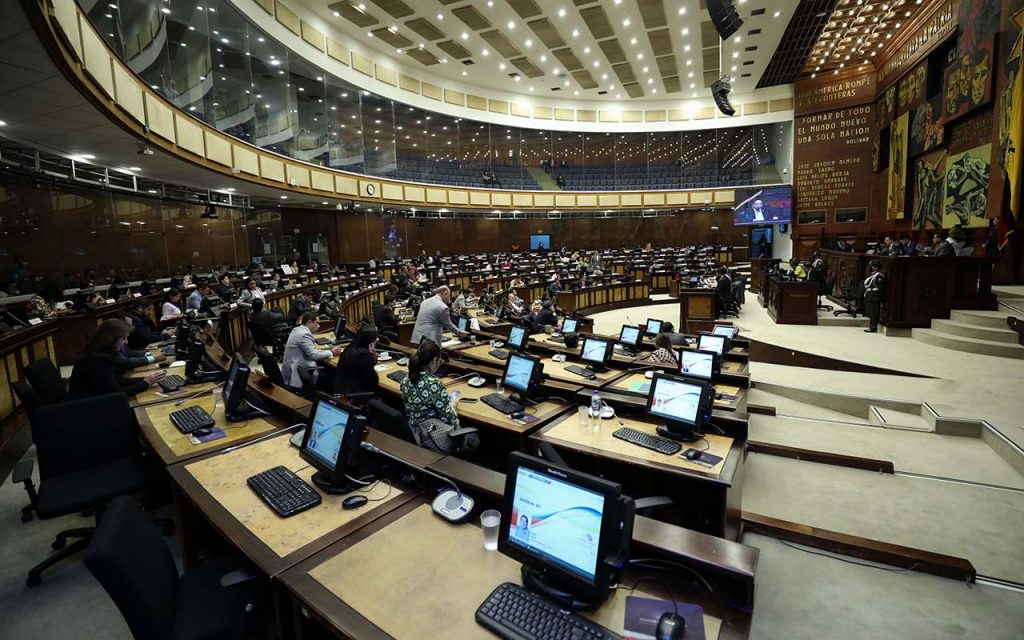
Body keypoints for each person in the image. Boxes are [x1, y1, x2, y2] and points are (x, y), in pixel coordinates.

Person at [400, 339, 478, 453]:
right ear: (434, 360)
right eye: (440, 361)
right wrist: (453, 405)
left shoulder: (405, 380)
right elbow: (450, 417)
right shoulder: (434, 383)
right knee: (474, 437)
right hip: (432, 437)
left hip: (415, 432)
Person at [68, 319, 165, 399]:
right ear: (111, 339)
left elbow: (117, 381)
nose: (126, 342)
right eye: (123, 338)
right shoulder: (97, 360)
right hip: (89, 408)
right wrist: (145, 383)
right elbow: (116, 394)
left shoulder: (100, 352)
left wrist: (145, 379)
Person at [281, 312, 343, 388]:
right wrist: (332, 352)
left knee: (327, 367)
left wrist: (329, 351)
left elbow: (313, 351)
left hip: (294, 370)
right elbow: (314, 355)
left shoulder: (297, 330)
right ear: (309, 322)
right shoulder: (304, 334)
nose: (319, 326)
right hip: (299, 375)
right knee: (336, 374)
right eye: (317, 323)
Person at [334, 325, 380, 398]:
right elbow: (374, 381)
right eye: (376, 337)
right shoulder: (363, 355)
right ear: (370, 341)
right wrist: (372, 358)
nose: (377, 339)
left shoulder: (349, 348)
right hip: (353, 397)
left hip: (341, 392)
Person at [863, 260, 886, 333]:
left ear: (875, 267)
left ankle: (873, 327)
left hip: (875, 295)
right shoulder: (872, 275)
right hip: (870, 294)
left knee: (874, 312)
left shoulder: (879, 275)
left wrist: (882, 297)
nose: (869, 267)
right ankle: (871, 325)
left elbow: (881, 287)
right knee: (870, 312)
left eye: (871, 266)